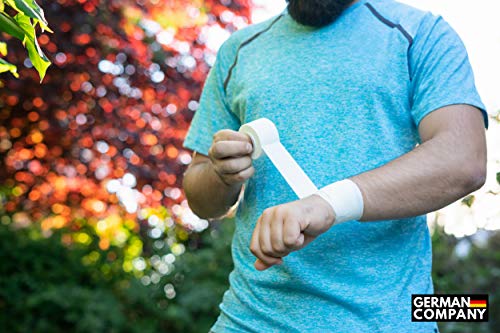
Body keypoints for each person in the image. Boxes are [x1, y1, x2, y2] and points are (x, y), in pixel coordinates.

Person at [182, 0, 489, 331]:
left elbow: (463, 158)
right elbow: (201, 201)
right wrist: (220, 173)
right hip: (248, 319)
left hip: (387, 323)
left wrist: (330, 204)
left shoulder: (422, 34)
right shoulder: (237, 52)